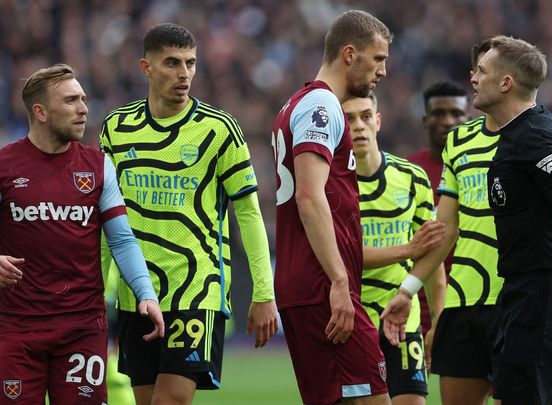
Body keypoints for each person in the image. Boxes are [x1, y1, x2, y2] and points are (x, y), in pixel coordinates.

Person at [100, 23, 278, 405]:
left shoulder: (219, 130)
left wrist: (264, 291)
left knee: (170, 401)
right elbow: (106, 219)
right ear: (145, 67)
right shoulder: (117, 128)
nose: (184, 74)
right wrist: (99, 292)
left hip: (196, 289)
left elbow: (248, 214)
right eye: (172, 63)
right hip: (137, 296)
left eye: (191, 63)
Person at [0, 64, 163, 405]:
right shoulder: (5, 165)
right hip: (14, 329)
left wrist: (145, 292)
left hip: (81, 327)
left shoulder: (98, 166)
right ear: (40, 112)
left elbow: (121, 238)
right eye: (72, 100)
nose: (84, 108)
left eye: (83, 99)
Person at [271, 10, 393, 405]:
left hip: (309, 282)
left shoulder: (298, 103)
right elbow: (309, 195)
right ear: (349, 54)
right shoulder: (321, 105)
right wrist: (339, 282)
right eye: (378, 59)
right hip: (321, 282)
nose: (383, 71)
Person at [477, 35, 552, 404]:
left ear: (505, 83)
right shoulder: (520, 133)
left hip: (541, 296)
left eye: (482, 71)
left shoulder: (535, 137)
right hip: (521, 292)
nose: (474, 77)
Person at [344, 93, 446, 405]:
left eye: (365, 116)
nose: (358, 126)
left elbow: (431, 255)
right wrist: (407, 249)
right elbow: (343, 259)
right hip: (353, 320)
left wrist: (437, 323)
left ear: (378, 121)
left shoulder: (412, 178)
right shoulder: (333, 186)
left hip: (403, 320)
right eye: (348, 119)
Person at [406, 80, 468, 341]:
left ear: (468, 119)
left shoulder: (480, 170)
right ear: (425, 120)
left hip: (469, 296)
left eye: (456, 113)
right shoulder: (408, 172)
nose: (448, 121)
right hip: (415, 301)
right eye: (439, 113)